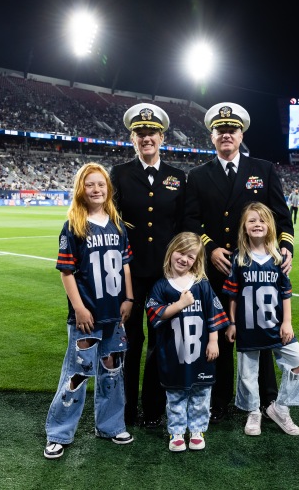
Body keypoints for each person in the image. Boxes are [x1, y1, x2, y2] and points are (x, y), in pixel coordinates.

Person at [184, 102, 294, 424]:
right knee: (218, 334)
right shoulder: (198, 175)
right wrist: (211, 248)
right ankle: (219, 403)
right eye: (221, 131)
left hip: (257, 272)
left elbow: (282, 218)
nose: (226, 135)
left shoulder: (263, 169)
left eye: (232, 130)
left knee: (261, 336)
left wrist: (285, 250)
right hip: (216, 270)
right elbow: (191, 220)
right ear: (212, 136)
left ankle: (267, 403)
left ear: (241, 134)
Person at [44, 163, 135, 460]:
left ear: (108, 189)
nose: (96, 190)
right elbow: (67, 272)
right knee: (78, 374)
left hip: (113, 314)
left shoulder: (117, 223)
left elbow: (124, 264)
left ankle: (109, 426)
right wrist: (80, 308)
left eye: (101, 184)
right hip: (87, 317)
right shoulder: (73, 225)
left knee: (112, 373)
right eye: (90, 185)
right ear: (81, 189)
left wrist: (129, 298)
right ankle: (59, 432)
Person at [110, 103, 186, 428]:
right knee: (129, 340)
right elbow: (111, 222)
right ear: (133, 138)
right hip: (129, 276)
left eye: (151, 133)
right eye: (140, 133)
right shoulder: (120, 174)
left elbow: (185, 227)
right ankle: (125, 409)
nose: (146, 138)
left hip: (164, 278)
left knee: (159, 342)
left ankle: (153, 408)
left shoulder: (178, 177)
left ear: (162, 136)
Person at [224, 202, 299, 436]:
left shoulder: (278, 257)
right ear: (244, 227)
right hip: (248, 327)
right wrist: (232, 323)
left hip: (276, 326)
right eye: (252, 220)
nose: (257, 224)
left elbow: (285, 293)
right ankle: (253, 412)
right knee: (248, 374)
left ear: (270, 226)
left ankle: (280, 408)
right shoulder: (238, 258)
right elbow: (232, 295)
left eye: (262, 220)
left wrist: (287, 322)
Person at [146, 232, 229, 452]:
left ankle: (197, 430)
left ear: (197, 260)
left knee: (201, 393)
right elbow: (155, 315)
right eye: (181, 253)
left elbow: (213, 314)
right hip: (174, 354)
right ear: (171, 251)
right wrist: (180, 304)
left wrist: (213, 341)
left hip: (201, 353)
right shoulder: (161, 286)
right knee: (176, 394)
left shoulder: (201, 284)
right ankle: (176, 432)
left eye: (191, 256)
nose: (184, 259)